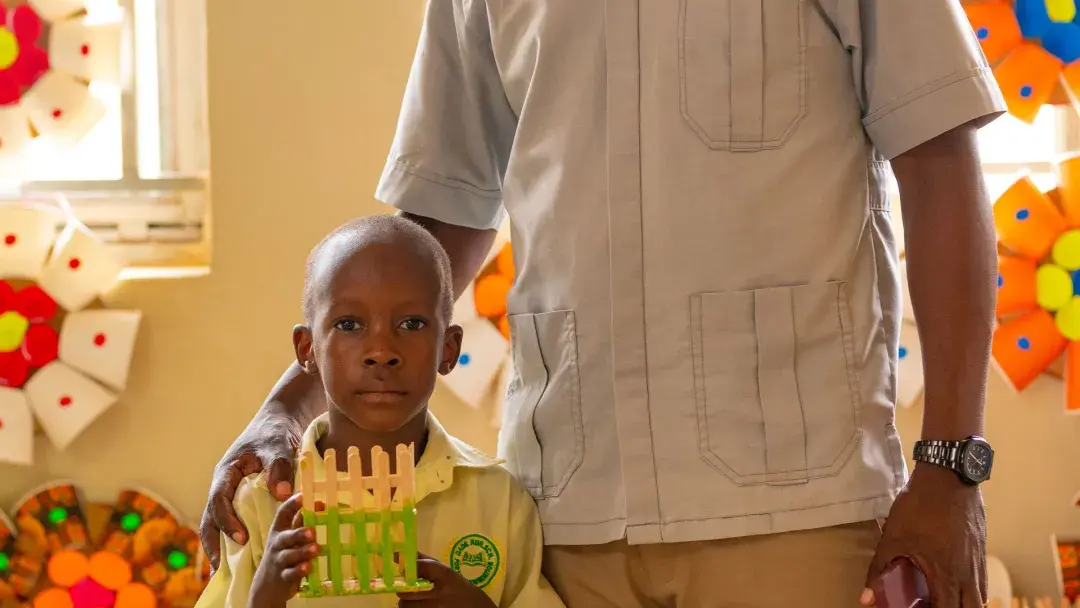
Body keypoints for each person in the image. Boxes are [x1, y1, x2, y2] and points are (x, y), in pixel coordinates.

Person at [202, 1, 1005, 605]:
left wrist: (952, 468)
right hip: (563, 515)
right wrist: (288, 402)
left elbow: (938, 156)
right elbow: (438, 219)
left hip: (795, 502)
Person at [195, 216, 564, 607]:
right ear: (308, 349)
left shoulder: (499, 500)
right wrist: (264, 598)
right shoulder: (261, 504)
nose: (382, 351)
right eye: (349, 324)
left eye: (411, 323)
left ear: (450, 349)